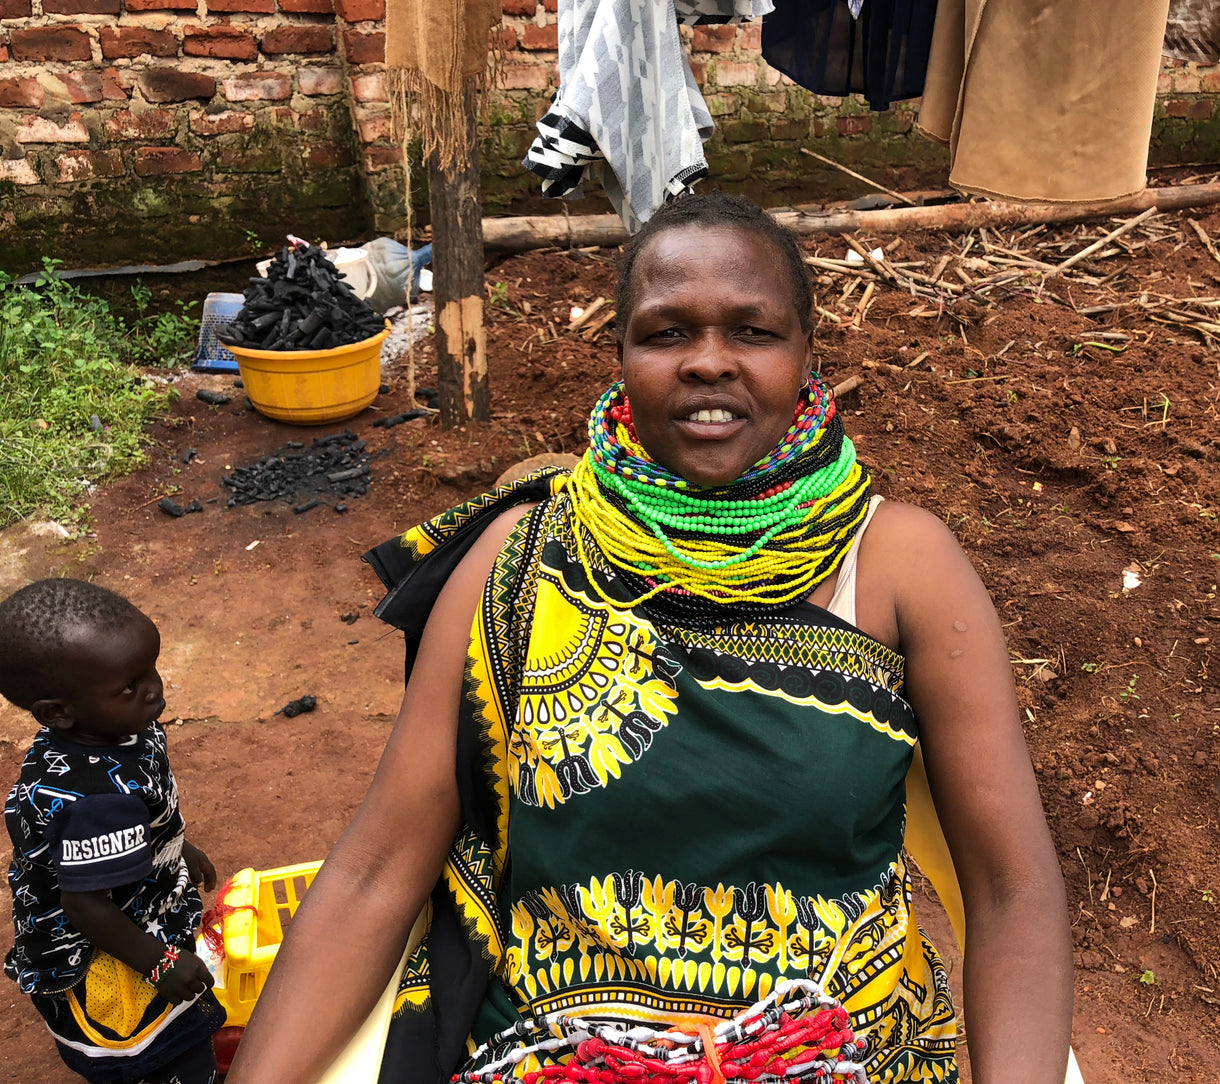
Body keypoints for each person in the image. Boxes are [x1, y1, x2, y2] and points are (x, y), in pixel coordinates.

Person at [227, 193, 1073, 1084]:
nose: (709, 363)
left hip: (838, 1052)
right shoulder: (520, 562)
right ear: (623, 356)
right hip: (555, 1057)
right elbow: (375, 869)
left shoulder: (898, 566)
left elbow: (1012, 890)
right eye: (667, 333)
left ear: (806, 354)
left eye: (753, 331)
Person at [1, 578, 224, 1084]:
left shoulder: (111, 726)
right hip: (104, 949)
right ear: (58, 712)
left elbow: (143, 810)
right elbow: (85, 906)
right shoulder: (94, 802)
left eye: (152, 668)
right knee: (153, 1050)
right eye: (131, 684)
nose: (155, 688)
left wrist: (174, 847)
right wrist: (159, 963)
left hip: (130, 913)